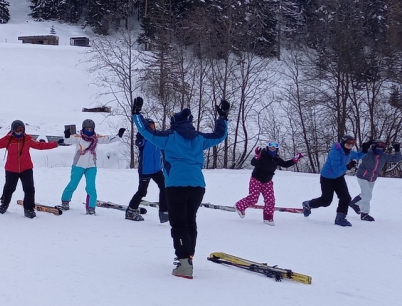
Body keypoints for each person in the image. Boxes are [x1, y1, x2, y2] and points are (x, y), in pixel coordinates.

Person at [132, 97, 229, 279]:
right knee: (190, 221)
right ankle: (188, 257)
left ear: (174, 123)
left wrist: (136, 114)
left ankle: (184, 264)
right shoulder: (199, 138)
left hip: (176, 185)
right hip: (197, 186)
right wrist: (222, 117)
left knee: (178, 224)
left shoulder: (169, 137)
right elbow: (219, 135)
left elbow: (146, 131)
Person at [0, 120, 60, 218]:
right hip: (11, 169)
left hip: (26, 168)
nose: (20, 132)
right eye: (17, 130)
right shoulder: (8, 139)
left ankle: (29, 209)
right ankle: (4, 205)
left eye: (22, 129)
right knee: (9, 189)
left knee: (29, 189)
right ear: (13, 130)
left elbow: (40, 145)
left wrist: (56, 143)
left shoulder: (28, 139)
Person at [60, 119, 125, 214]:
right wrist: (66, 135)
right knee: (73, 184)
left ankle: (91, 207)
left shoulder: (96, 137)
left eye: (91, 129)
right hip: (78, 165)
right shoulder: (79, 137)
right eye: (87, 129)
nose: (89, 131)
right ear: (83, 128)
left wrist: (118, 135)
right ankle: (65, 201)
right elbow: (68, 140)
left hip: (91, 166)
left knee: (91, 187)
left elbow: (107, 139)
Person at [302, 134, 363, 227]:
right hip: (327, 178)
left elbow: (358, 155)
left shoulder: (349, 152)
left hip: (339, 177)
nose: (349, 147)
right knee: (326, 201)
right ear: (343, 144)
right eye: (347, 145)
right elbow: (336, 169)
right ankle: (308, 204)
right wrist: (347, 166)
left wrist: (365, 150)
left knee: (346, 198)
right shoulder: (335, 152)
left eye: (351, 145)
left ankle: (340, 218)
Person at [235, 142, 303, 224]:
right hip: (256, 179)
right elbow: (253, 163)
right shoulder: (262, 155)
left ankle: (268, 218)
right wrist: (257, 156)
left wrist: (295, 160)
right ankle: (239, 206)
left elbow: (285, 164)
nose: (272, 150)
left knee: (270, 200)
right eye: (271, 148)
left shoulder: (276, 158)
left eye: (274, 148)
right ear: (267, 148)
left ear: (276, 150)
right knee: (253, 198)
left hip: (267, 181)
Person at [351, 140, 402, 221]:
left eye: (381, 148)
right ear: (374, 147)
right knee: (367, 195)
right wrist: (365, 146)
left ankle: (364, 214)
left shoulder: (383, 156)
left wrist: (397, 150)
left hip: (372, 178)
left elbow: (397, 159)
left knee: (366, 195)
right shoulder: (368, 154)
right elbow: (359, 154)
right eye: (378, 148)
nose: (379, 150)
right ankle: (354, 203)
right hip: (362, 176)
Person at [130, 113, 168, 223]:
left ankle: (164, 211)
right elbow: (139, 143)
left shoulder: (157, 137)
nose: (152, 128)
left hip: (157, 170)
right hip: (145, 170)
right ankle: (131, 210)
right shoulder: (143, 137)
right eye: (149, 126)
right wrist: (140, 137)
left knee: (164, 187)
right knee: (142, 191)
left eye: (153, 126)